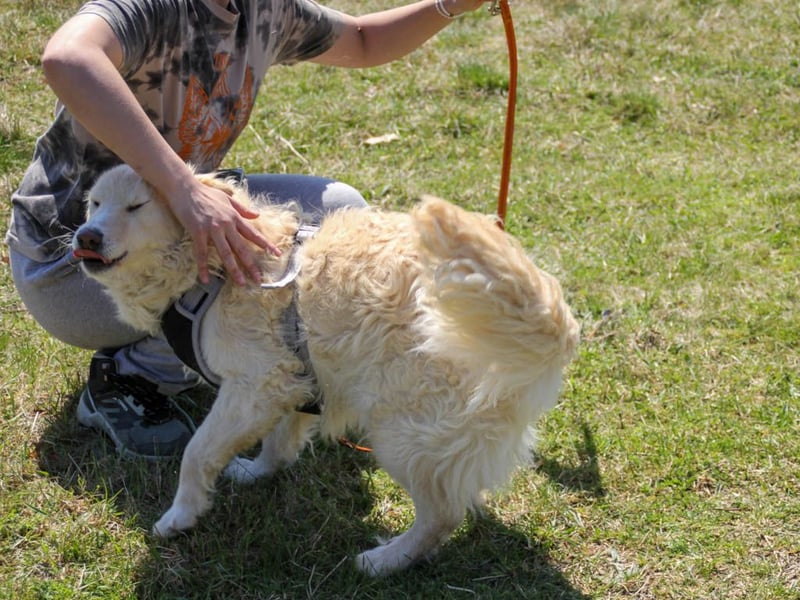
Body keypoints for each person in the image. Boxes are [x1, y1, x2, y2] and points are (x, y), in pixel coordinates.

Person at [5, 0, 488, 460]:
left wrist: (448, 5)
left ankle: (299, 361)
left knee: (339, 208)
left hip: (173, 234)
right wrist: (181, 186)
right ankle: (132, 376)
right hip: (69, 261)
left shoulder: (264, 9)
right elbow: (67, 58)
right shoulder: (151, 8)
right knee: (235, 296)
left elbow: (361, 40)